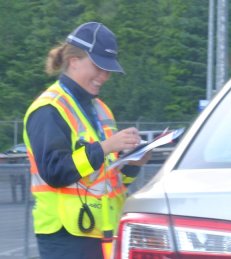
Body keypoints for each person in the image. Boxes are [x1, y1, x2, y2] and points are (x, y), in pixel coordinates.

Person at [23, 22, 150, 259]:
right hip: (65, 236)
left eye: (108, 70)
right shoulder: (49, 109)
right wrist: (104, 148)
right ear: (73, 61)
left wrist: (134, 163)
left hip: (100, 233)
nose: (104, 76)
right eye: (98, 67)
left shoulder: (101, 110)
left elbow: (110, 180)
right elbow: (55, 172)